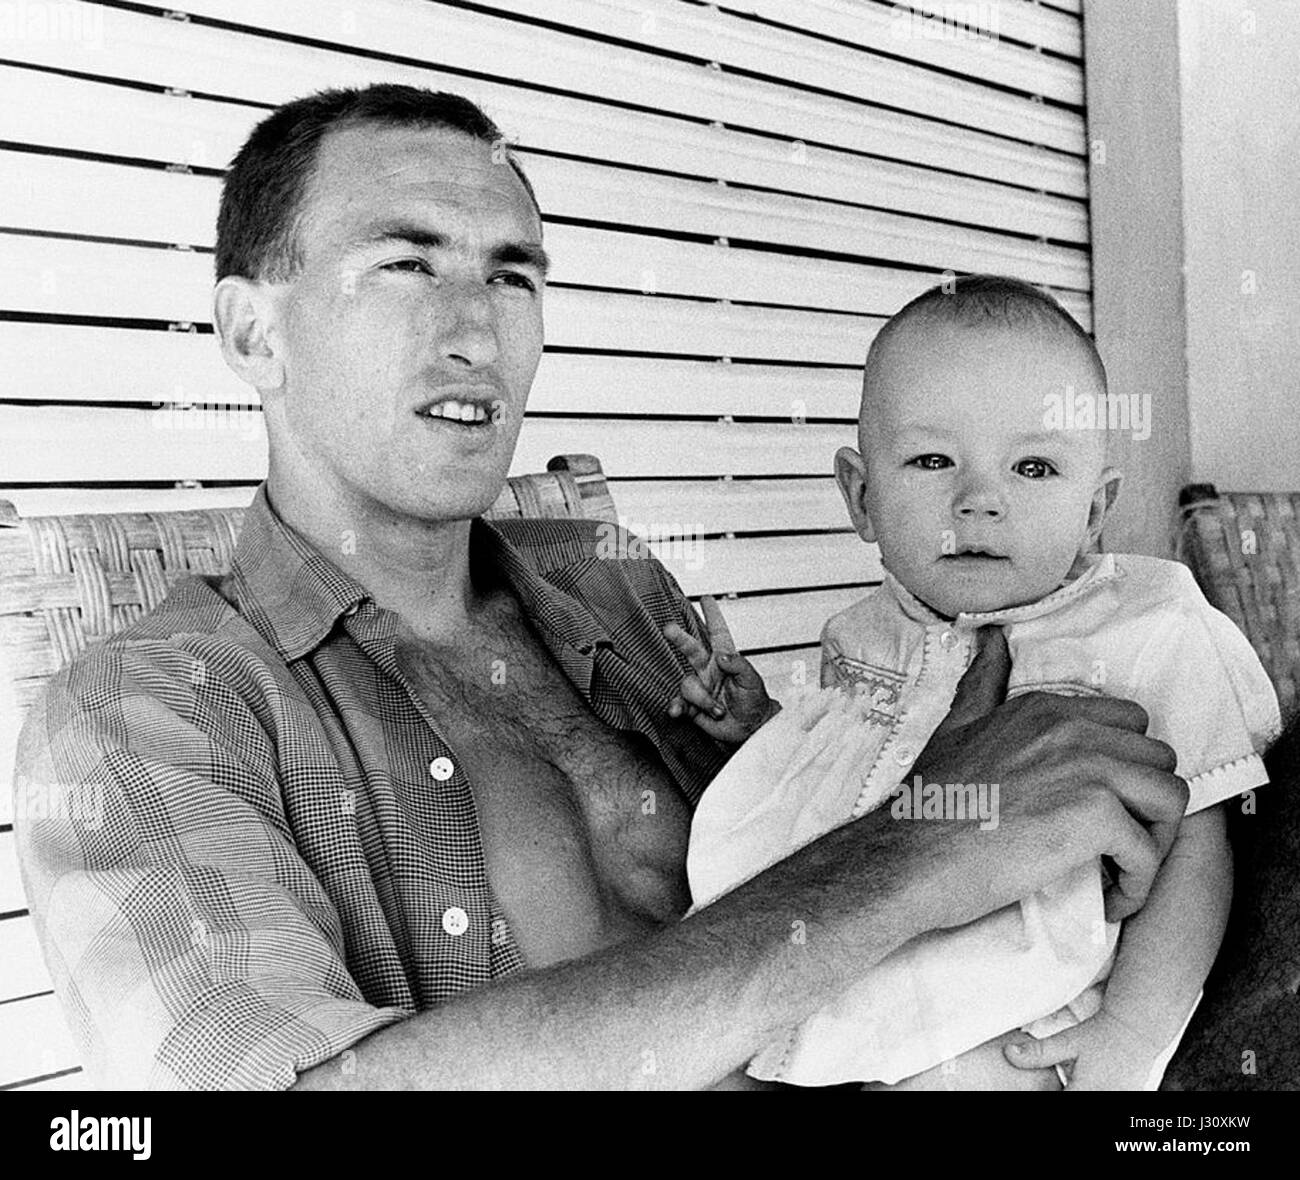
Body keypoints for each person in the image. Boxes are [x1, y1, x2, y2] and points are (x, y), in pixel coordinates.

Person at [12, 86, 1187, 1091]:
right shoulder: (140, 711)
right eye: (405, 264)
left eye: (512, 276)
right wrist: (912, 853)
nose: (476, 331)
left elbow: (811, 817)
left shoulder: (614, 586)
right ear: (250, 331)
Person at [673, 276, 1279, 1090]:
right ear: (861, 496)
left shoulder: (1148, 625)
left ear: (1095, 511)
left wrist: (1131, 1034)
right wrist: (764, 730)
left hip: (1021, 1005)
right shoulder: (860, 635)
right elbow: (838, 800)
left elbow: (1200, 851)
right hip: (823, 987)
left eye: (1033, 467)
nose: (980, 500)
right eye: (932, 460)